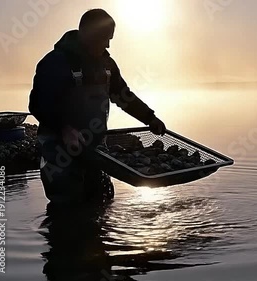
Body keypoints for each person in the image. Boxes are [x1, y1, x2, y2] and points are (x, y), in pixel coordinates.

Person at [29, 9, 166, 206]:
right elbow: (38, 104)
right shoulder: (55, 62)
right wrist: (65, 129)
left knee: (101, 203)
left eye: (110, 39)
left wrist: (149, 118)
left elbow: (123, 96)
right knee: (66, 209)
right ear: (85, 32)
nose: (108, 44)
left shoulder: (106, 64)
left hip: (96, 150)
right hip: (61, 151)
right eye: (103, 38)